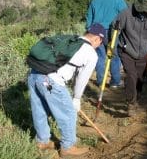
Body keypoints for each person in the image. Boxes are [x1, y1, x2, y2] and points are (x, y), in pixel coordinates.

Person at [27, 23, 106, 157]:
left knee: (39, 109)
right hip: (51, 81)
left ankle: (43, 141)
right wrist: (76, 98)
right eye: (101, 43)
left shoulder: (71, 39)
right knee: (69, 113)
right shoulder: (91, 54)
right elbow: (82, 79)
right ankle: (68, 147)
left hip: (33, 74)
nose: (99, 46)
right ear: (97, 39)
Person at [113, 0, 147, 117]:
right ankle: (131, 103)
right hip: (126, 49)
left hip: (143, 52)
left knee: (141, 79)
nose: (146, 13)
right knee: (131, 75)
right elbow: (115, 30)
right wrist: (111, 47)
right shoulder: (126, 13)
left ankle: (136, 97)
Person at [86, 0, 128, 88]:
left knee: (100, 57)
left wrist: (89, 33)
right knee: (114, 56)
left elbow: (88, 22)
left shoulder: (94, 1)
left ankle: (101, 82)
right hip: (113, 32)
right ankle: (115, 81)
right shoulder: (118, 0)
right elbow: (126, 16)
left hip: (96, 32)